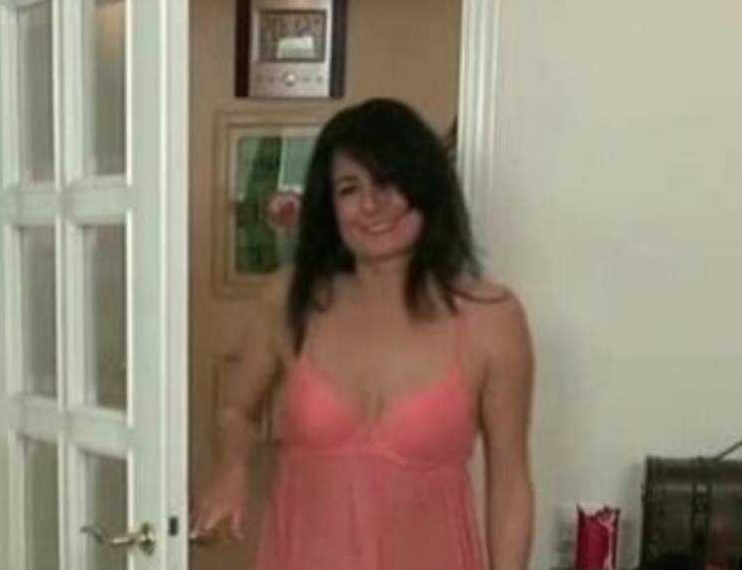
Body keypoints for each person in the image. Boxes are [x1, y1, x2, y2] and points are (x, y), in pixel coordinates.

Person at [192, 98, 534, 570]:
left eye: (388, 182)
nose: (371, 205)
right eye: (349, 189)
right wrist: (230, 469)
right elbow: (236, 409)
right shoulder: (290, 299)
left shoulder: (491, 320)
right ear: (330, 207)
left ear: (425, 187)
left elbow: (510, 481)